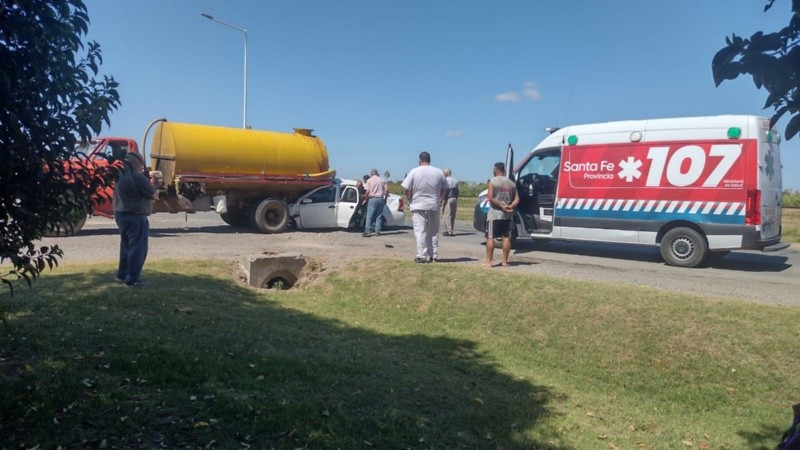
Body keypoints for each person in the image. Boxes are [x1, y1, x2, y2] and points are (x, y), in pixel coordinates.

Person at [113, 152, 158, 287]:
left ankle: (122, 275)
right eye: (141, 163)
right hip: (135, 216)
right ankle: (132, 280)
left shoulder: (120, 175)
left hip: (120, 215)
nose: (142, 167)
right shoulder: (137, 177)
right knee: (137, 249)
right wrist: (154, 183)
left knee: (126, 246)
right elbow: (153, 195)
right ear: (135, 163)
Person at [401, 151, 447, 263]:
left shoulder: (414, 171)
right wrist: (440, 198)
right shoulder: (438, 172)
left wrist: (410, 197)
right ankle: (433, 255)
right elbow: (445, 187)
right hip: (433, 204)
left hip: (418, 204)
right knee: (433, 231)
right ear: (430, 160)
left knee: (420, 230)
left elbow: (406, 188)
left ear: (419, 160)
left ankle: (421, 255)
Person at [483, 162, 518, 268]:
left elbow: (491, 197)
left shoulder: (492, 181)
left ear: (495, 170)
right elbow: (517, 199)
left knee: (490, 237)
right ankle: (504, 262)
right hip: (507, 215)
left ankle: (489, 261)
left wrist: (501, 206)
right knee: (506, 237)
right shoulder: (511, 183)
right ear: (504, 171)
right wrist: (510, 206)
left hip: (494, 214)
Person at [363, 168, 387, 237]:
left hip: (372, 198)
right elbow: (386, 190)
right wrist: (385, 199)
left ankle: (367, 231)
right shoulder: (382, 180)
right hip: (380, 198)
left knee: (369, 216)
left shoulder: (369, 180)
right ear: (377, 173)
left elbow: (367, 191)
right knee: (379, 215)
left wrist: (366, 199)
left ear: (371, 174)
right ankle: (377, 231)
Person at [441, 168, 459, 236]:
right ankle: (451, 230)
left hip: (448, 199)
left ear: (446, 173)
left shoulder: (445, 180)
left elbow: (444, 190)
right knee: (453, 215)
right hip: (454, 198)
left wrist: (441, 199)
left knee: (447, 215)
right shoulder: (455, 180)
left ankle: (449, 231)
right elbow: (457, 191)